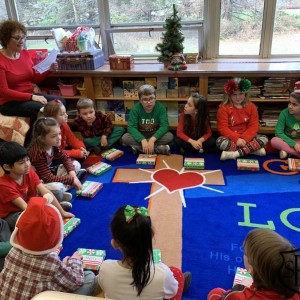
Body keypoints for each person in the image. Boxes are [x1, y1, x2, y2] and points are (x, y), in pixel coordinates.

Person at [0, 196, 97, 299]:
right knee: (89, 277)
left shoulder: (12, 252)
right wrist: (75, 261)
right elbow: (76, 281)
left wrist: (60, 265)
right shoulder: (52, 263)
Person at [94, 205, 191, 300]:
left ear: (114, 243)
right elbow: (172, 292)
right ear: (151, 237)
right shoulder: (162, 274)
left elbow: (103, 286)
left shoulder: (105, 268)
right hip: (164, 281)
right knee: (176, 273)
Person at [0, 20, 66, 144]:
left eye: (23, 37)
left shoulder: (24, 53)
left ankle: (57, 141)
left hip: (29, 97)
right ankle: (34, 145)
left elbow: (33, 78)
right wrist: (31, 97)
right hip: (9, 103)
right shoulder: (1, 60)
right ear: (6, 39)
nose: (22, 41)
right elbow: (4, 92)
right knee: (40, 108)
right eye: (17, 37)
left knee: (60, 102)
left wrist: (49, 71)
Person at [0, 141, 74, 232]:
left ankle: (55, 208)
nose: (27, 165)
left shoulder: (29, 172)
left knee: (56, 194)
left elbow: (45, 192)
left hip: (31, 203)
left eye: (28, 159)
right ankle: (52, 209)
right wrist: (49, 219)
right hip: (14, 213)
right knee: (25, 220)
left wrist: (62, 213)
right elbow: (26, 208)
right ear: (7, 167)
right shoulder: (4, 185)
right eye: (21, 163)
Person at [207, 228, 300, 300]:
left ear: (251, 269)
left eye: (245, 253)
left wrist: (240, 288)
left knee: (215, 293)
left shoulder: (238, 296)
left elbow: (218, 295)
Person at [28, 117, 85, 195]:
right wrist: (71, 180)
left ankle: (67, 186)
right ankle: (64, 189)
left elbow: (65, 157)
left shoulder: (53, 144)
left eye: (59, 133)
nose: (59, 138)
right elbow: (48, 178)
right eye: (54, 136)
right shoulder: (37, 153)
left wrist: (73, 175)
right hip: (39, 182)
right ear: (41, 139)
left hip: (48, 173)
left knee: (76, 164)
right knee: (57, 187)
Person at [216, 78, 268, 160]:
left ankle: (235, 154)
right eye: (234, 94)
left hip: (247, 138)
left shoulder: (251, 107)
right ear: (229, 95)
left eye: (240, 94)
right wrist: (236, 139)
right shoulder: (223, 108)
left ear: (245, 94)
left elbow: (254, 126)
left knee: (264, 139)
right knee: (220, 142)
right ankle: (252, 151)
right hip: (231, 139)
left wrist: (244, 139)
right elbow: (222, 128)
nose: (238, 97)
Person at [121, 84, 173, 155]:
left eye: (151, 98)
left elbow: (165, 126)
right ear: (140, 100)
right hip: (140, 134)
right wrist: (142, 140)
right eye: (145, 99)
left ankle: (139, 149)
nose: (149, 102)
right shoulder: (135, 109)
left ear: (155, 98)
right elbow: (131, 127)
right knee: (125, 138)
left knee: (170, 136)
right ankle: (157, 149)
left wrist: (152, 140)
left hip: (155, 134)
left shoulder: (160, 108)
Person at [270, 88, 300, 159]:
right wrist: (294, 144)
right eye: (289, 103)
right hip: (286, 140)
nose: (290, 106)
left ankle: (287, 151)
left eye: (294, 104)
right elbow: (278, 133)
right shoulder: (284, 113)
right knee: (274, 141)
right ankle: (296, 153)